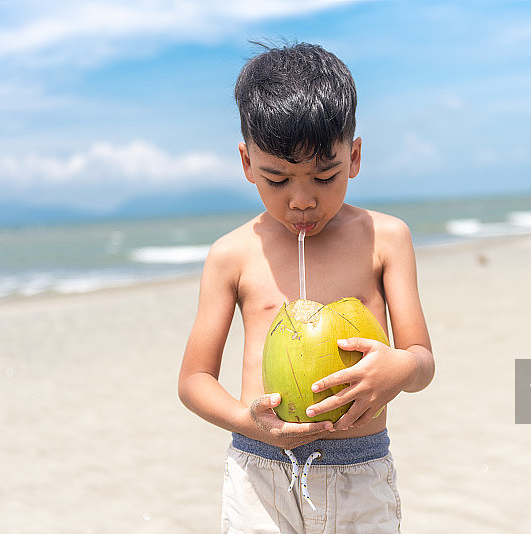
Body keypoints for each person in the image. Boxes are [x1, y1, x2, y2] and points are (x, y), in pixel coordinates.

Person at [178, 42, 434, 533]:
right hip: (261, 470)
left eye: (324, 176)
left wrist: (397, 367)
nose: (301, 201)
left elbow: (422, 361)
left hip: (359, 470)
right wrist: (247, 422)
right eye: (277, 180)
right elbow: (193, 382)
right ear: (247, 163)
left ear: (354, 156)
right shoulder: (232, 254)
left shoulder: (386, 239)